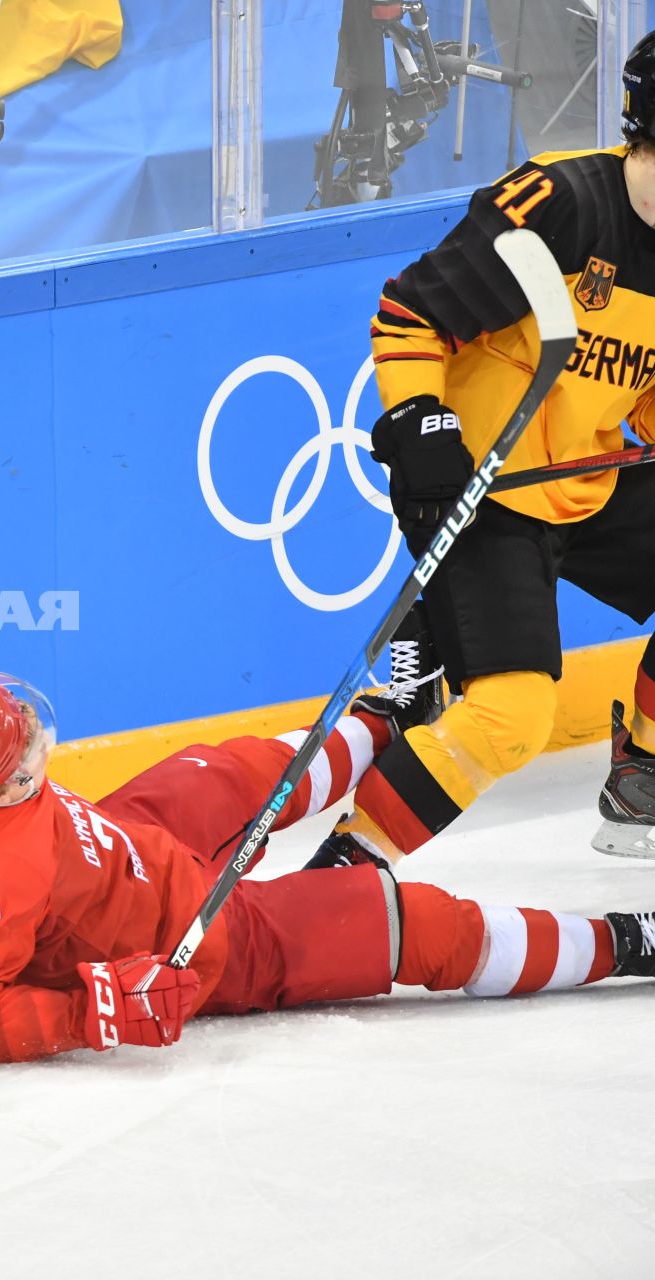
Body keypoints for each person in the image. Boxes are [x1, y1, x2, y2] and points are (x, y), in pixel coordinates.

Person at [0, 666, 655, 1063]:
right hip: (200, 938)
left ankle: (387, 716)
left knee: (244, 769)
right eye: (26, 750)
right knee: (416, 925)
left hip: (116, 842)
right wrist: (91, 1013)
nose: (39, 739)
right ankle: (622, 941)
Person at [310, 28, 655, 870]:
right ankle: (349, 867)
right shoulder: (562, 203)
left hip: (585, 475)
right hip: (479, 486)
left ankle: (642, 768)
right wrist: (423, 424)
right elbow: (408, 314)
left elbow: (643, 384)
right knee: (512, 719)